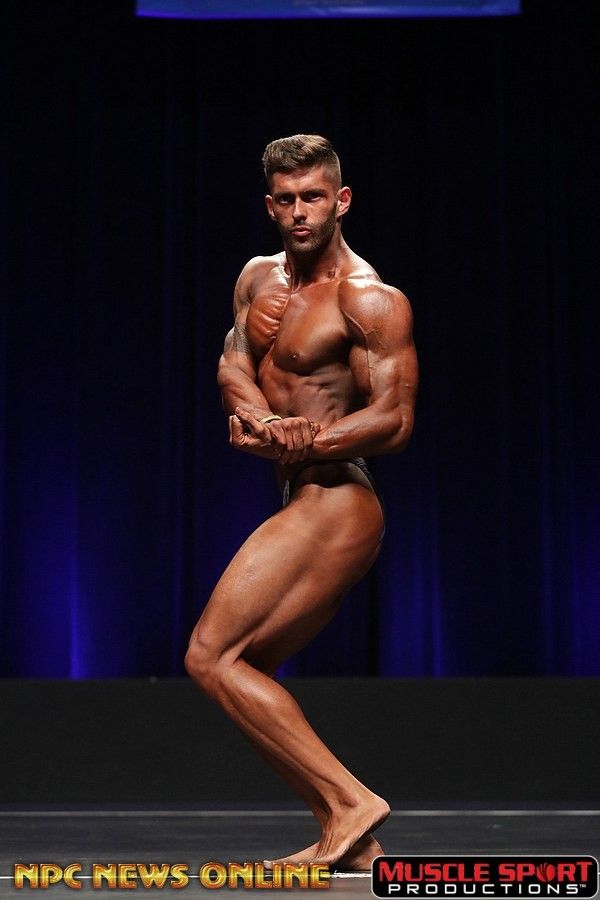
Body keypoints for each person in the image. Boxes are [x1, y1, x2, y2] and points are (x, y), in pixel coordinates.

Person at [184, 134, 418, 870]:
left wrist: (305, 439)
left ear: (341, 200)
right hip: (302, 494)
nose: (299, 212)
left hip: (339, 498)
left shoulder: (367, 297)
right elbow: (232, 362)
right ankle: (351, 838)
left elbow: (395, 419)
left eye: (313, 197)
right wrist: (260, 417)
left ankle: (351, 802)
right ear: (269, 205)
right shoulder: (257, 279)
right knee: (239, 671)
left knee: (210, 655)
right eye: (286, 200)